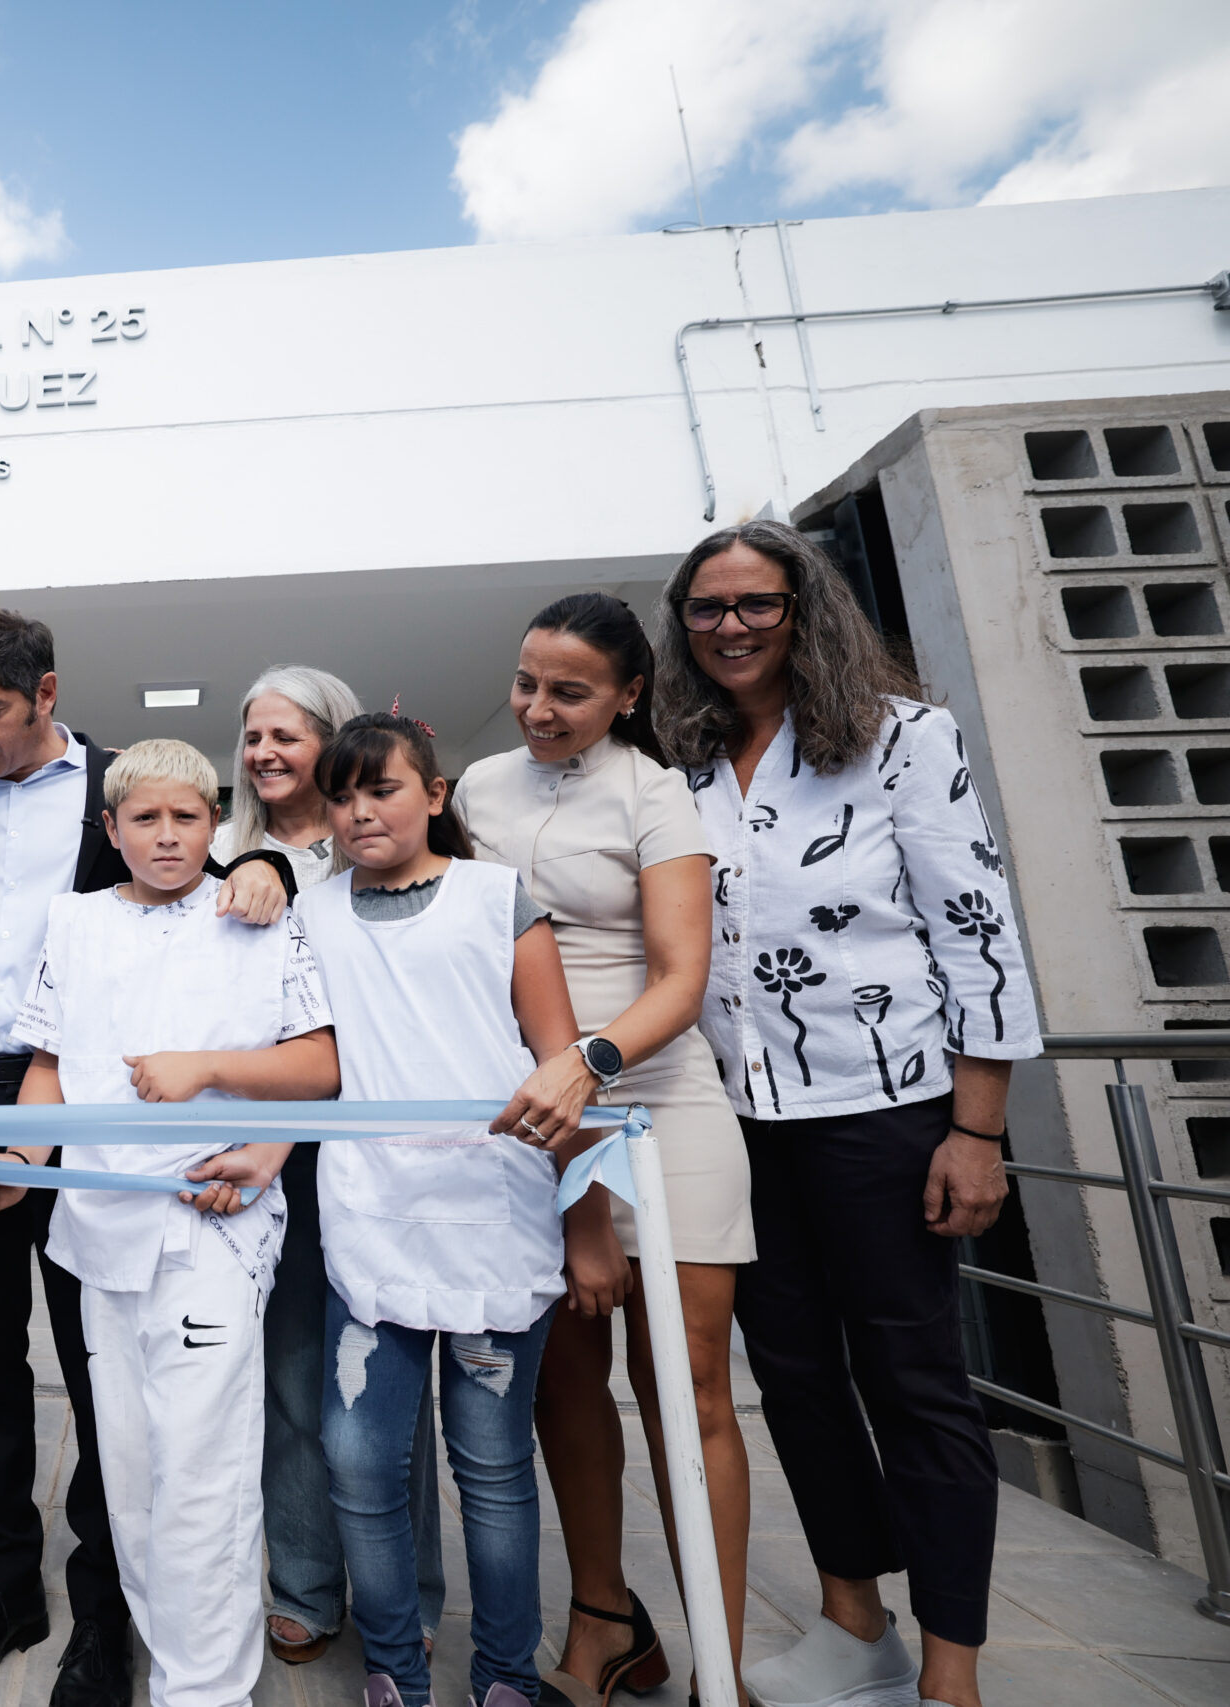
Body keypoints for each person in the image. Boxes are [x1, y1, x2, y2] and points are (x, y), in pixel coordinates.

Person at [653, 521, 1040, 1707]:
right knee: (797, 1378)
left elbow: (976, 931)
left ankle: (950, 1669)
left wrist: (976, 1132)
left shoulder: (902, 741)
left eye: (753, 604)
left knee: (913, 1382)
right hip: (740, 1118)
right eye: (706, 610)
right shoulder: (687, 759)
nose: (728, 628)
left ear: (802, 607)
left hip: (887, 1111)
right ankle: (851, 1624)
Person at [0, 610, 292, 1707]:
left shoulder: (127, 784)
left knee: (101, 1376)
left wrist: (262, 855)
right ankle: (2, 1593)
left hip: (103, 1094)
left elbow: (222, 861)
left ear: (46, 692)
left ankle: (106, 1619)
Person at [0, 737, 342, 1707]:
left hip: (212, 1226)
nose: (166, 837)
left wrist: (209, 1072)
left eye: (184, 817)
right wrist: (19, 1160)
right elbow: (49, 1065)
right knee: (129, 1479)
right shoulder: (72, 923)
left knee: (203, 1477)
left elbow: (318, 1067)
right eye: (144, 819)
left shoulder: (258, 914)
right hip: (96, 1234)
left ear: (215, 822)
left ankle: (204, 1692)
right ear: (110, 829)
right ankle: (168, 1665)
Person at [456, 591, 755, 1704]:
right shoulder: (479, 788)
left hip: (657, 1104)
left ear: (629, 696)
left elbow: (680, 979)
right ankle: (604, 1621)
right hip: (538, 1119)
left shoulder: (658, 796)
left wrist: (589, 1059)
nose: (537, 708)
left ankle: (717, 1662)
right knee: (562, 1387)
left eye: (569, 692)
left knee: (688, 1383)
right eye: (527, 684)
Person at [294, 711, 592, 1707]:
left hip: (495, 1224)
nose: (359, 810)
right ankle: (393, 1672)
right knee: (360, 1461)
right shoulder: (315, 914)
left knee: (495, 1470)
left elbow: (563, 1067)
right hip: (372, 1224)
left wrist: (587, 1223)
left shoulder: (497, 897)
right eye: (341, 795)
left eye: (380, 788)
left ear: (433, 795)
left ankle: (505, 1677)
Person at [207, 665, 419, 1668]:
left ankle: (403, 1597)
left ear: (334, 741)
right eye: (251, 737)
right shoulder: (214, 855)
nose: (262, 754)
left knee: (384, 1382)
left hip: (383, 1146)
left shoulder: (380, 842)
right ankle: (301, 1582)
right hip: (273, 1151)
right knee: (293, 1378)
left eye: (284, 735)